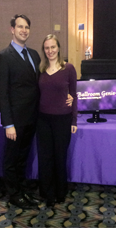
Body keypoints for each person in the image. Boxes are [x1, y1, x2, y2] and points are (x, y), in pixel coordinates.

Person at [0, 15, 72, 209]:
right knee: (11, 159)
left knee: (22, 158)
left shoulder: (36, 55)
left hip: (33, 118)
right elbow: (1, 94)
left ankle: (22, 191)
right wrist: (8, 124)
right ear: (12, 29)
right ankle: (14, 195)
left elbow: (46, 85)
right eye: (20, 26)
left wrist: (67, 95)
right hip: (15, 120)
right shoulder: (4, 56)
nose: (24, 30)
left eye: (27, 27)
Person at [37, 34, 77, 208]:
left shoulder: (68, 68)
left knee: (60, 157)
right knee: (45, 158)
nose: (50, 50)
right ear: (44, 50)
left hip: (63, 119)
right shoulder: (40, 69)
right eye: (47, 48)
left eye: (53, 47)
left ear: (58, 48)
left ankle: (61, 192)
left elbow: (74, 95)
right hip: (43, 120)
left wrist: (74, 121)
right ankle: (47, 193)